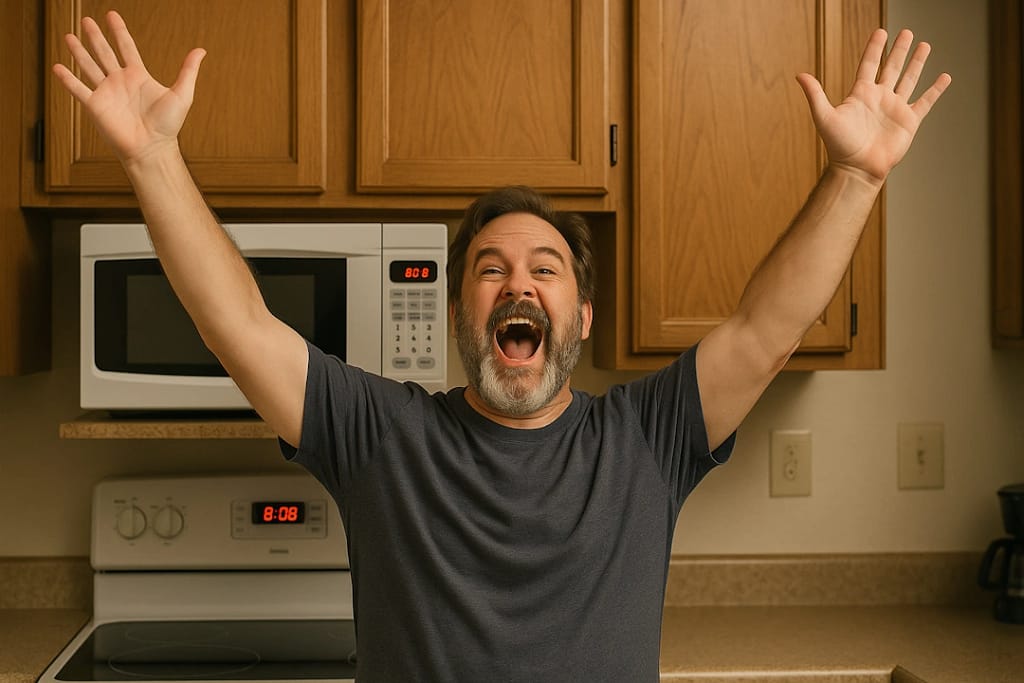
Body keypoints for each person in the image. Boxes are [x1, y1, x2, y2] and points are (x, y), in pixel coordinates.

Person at [53, 11, 950, 682]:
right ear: (456, 312)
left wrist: (855, 174)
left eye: (546, 269)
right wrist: (152, 159)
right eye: (490, 268)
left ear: (583, 316)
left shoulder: (647, 438)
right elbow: (239, 325)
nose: (518, 285)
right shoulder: (381, 435)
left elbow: (767, 328)